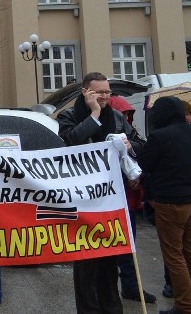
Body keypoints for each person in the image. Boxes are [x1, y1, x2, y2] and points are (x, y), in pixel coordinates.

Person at [58, 72, 145, 314]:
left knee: (110, 256)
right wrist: (94, 114)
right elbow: (70, 141)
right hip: (83, 199)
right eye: (99, 92)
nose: (105, 97)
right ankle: (88, 309)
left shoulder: (117, 117)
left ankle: (112, 307)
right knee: (86, 259)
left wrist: (130, 145)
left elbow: (140, 144)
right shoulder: (69, 116)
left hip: (110, 198)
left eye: (107, 92)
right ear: (85, 92)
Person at [139, 96, 191, 314]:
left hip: (170, 201)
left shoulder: (160, 136)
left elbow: (144, 163)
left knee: (174, 255)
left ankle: (184, 306)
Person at [108, 96, 157, 304]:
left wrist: (137, 175)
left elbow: (143, 150)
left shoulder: (130, 131)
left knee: (129, 246)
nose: (127, 117)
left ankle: (130, 286)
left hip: (128, 199)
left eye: (128, 114)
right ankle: (117, 288)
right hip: (110, 199)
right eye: (123, 113)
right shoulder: (106, 131)